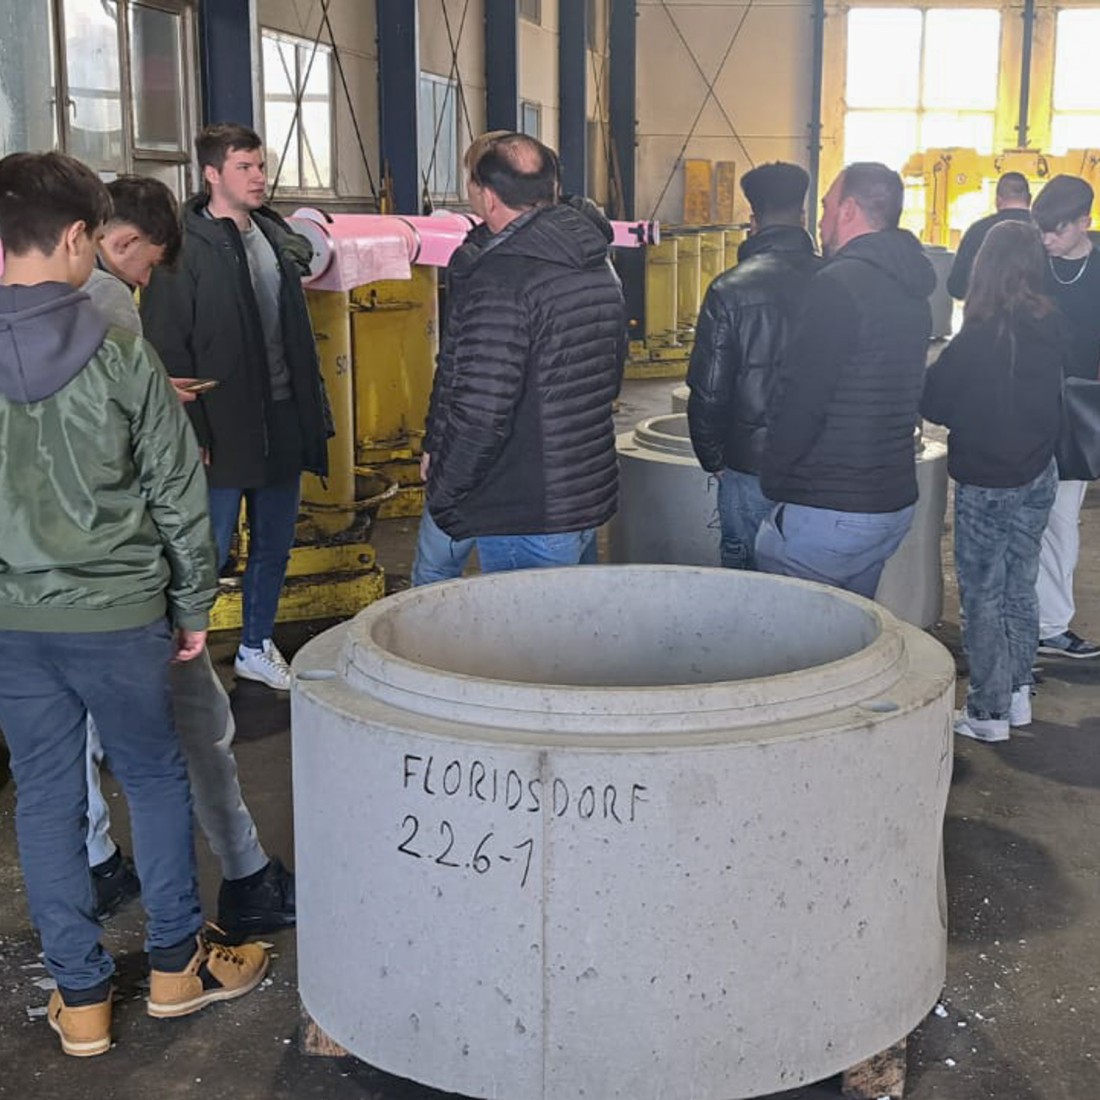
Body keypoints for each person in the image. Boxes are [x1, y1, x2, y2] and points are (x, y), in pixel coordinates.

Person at [0, 151, 267, 1058]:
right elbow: (175, 493)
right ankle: (175, 970)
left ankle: (79, 999)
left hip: (15, 624)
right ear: (79, 237)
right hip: (121, 616)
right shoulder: (120, 352)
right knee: (153, 779)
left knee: (44, 800)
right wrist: (193, 604)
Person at [81, 174, 296, 940]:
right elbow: (148, 469)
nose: (146, 282)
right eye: (146, 264)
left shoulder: (24, 314)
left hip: (43, 587)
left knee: (66, 748)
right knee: (186, 735)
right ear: (108, 239)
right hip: (127, 573)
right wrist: (191, 592)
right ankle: (222, 904)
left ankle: (91, 881)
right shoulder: (101, 299)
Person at [141, 123, 331, 690]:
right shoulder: (184, 247)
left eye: (260, 166)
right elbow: (166, 346)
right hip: (221, 425)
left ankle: (255, 645)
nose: (258, 177)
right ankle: (179, 663)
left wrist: (311, 412)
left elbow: (295, 335)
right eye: (244, 167)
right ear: (211, 174)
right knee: (206, 549)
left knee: (274, 542)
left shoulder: (273, 235)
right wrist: (192, 427)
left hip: (281, 414)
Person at [420, 133, 626, 571]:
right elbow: (610, 377)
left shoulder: (503, 279)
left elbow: (480, 412)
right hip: (581, 494)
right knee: (570, 613)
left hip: (523, 508)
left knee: (526, 618)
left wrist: (445, 492)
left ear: (488, 197)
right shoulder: (595, 263)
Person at [755, 162, 935, 597]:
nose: (819, 220)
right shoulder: (913, 288)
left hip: (830, 507)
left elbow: (802, 398)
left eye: (826, 206)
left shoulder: (836, 285)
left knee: (793, 630)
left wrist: (774, 480)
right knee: (849, 627)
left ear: (849, 210)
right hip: (889, 503)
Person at [922, 221, 1063, 743]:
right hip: (1038, 471)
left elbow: (934, 403)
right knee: (1020, 585)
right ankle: (1018, 693)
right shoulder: (1051, 323)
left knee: (982, 595)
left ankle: (987, 711)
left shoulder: (977, 336)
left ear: (985, 266)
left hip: (987, 480)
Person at [686, 161, 820, 569]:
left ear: (753, 221)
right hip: (819, 465)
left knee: (746, 577)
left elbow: (709, 391)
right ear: (802, 216)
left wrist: (714, 459)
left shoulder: (729, 290)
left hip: (748, 464)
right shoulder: (836, 281)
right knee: (810, 576)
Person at [1030, 174, 1100, 659]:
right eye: (1041, 229)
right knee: (1016, 517)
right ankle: (1019, 617)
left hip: (1079, 413)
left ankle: (1051, 624)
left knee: (1060, 518)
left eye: (1057, 230)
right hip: (1023, 403)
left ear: (1084, 222)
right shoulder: (1031, 263)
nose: (1047, 239)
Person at [946, 172, 1032, 300]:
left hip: (987, 311)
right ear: (1029, 199)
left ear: (997, 200)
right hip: (1037, 312)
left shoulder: (977, 231)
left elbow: (956, 286)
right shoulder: (1046, 231)